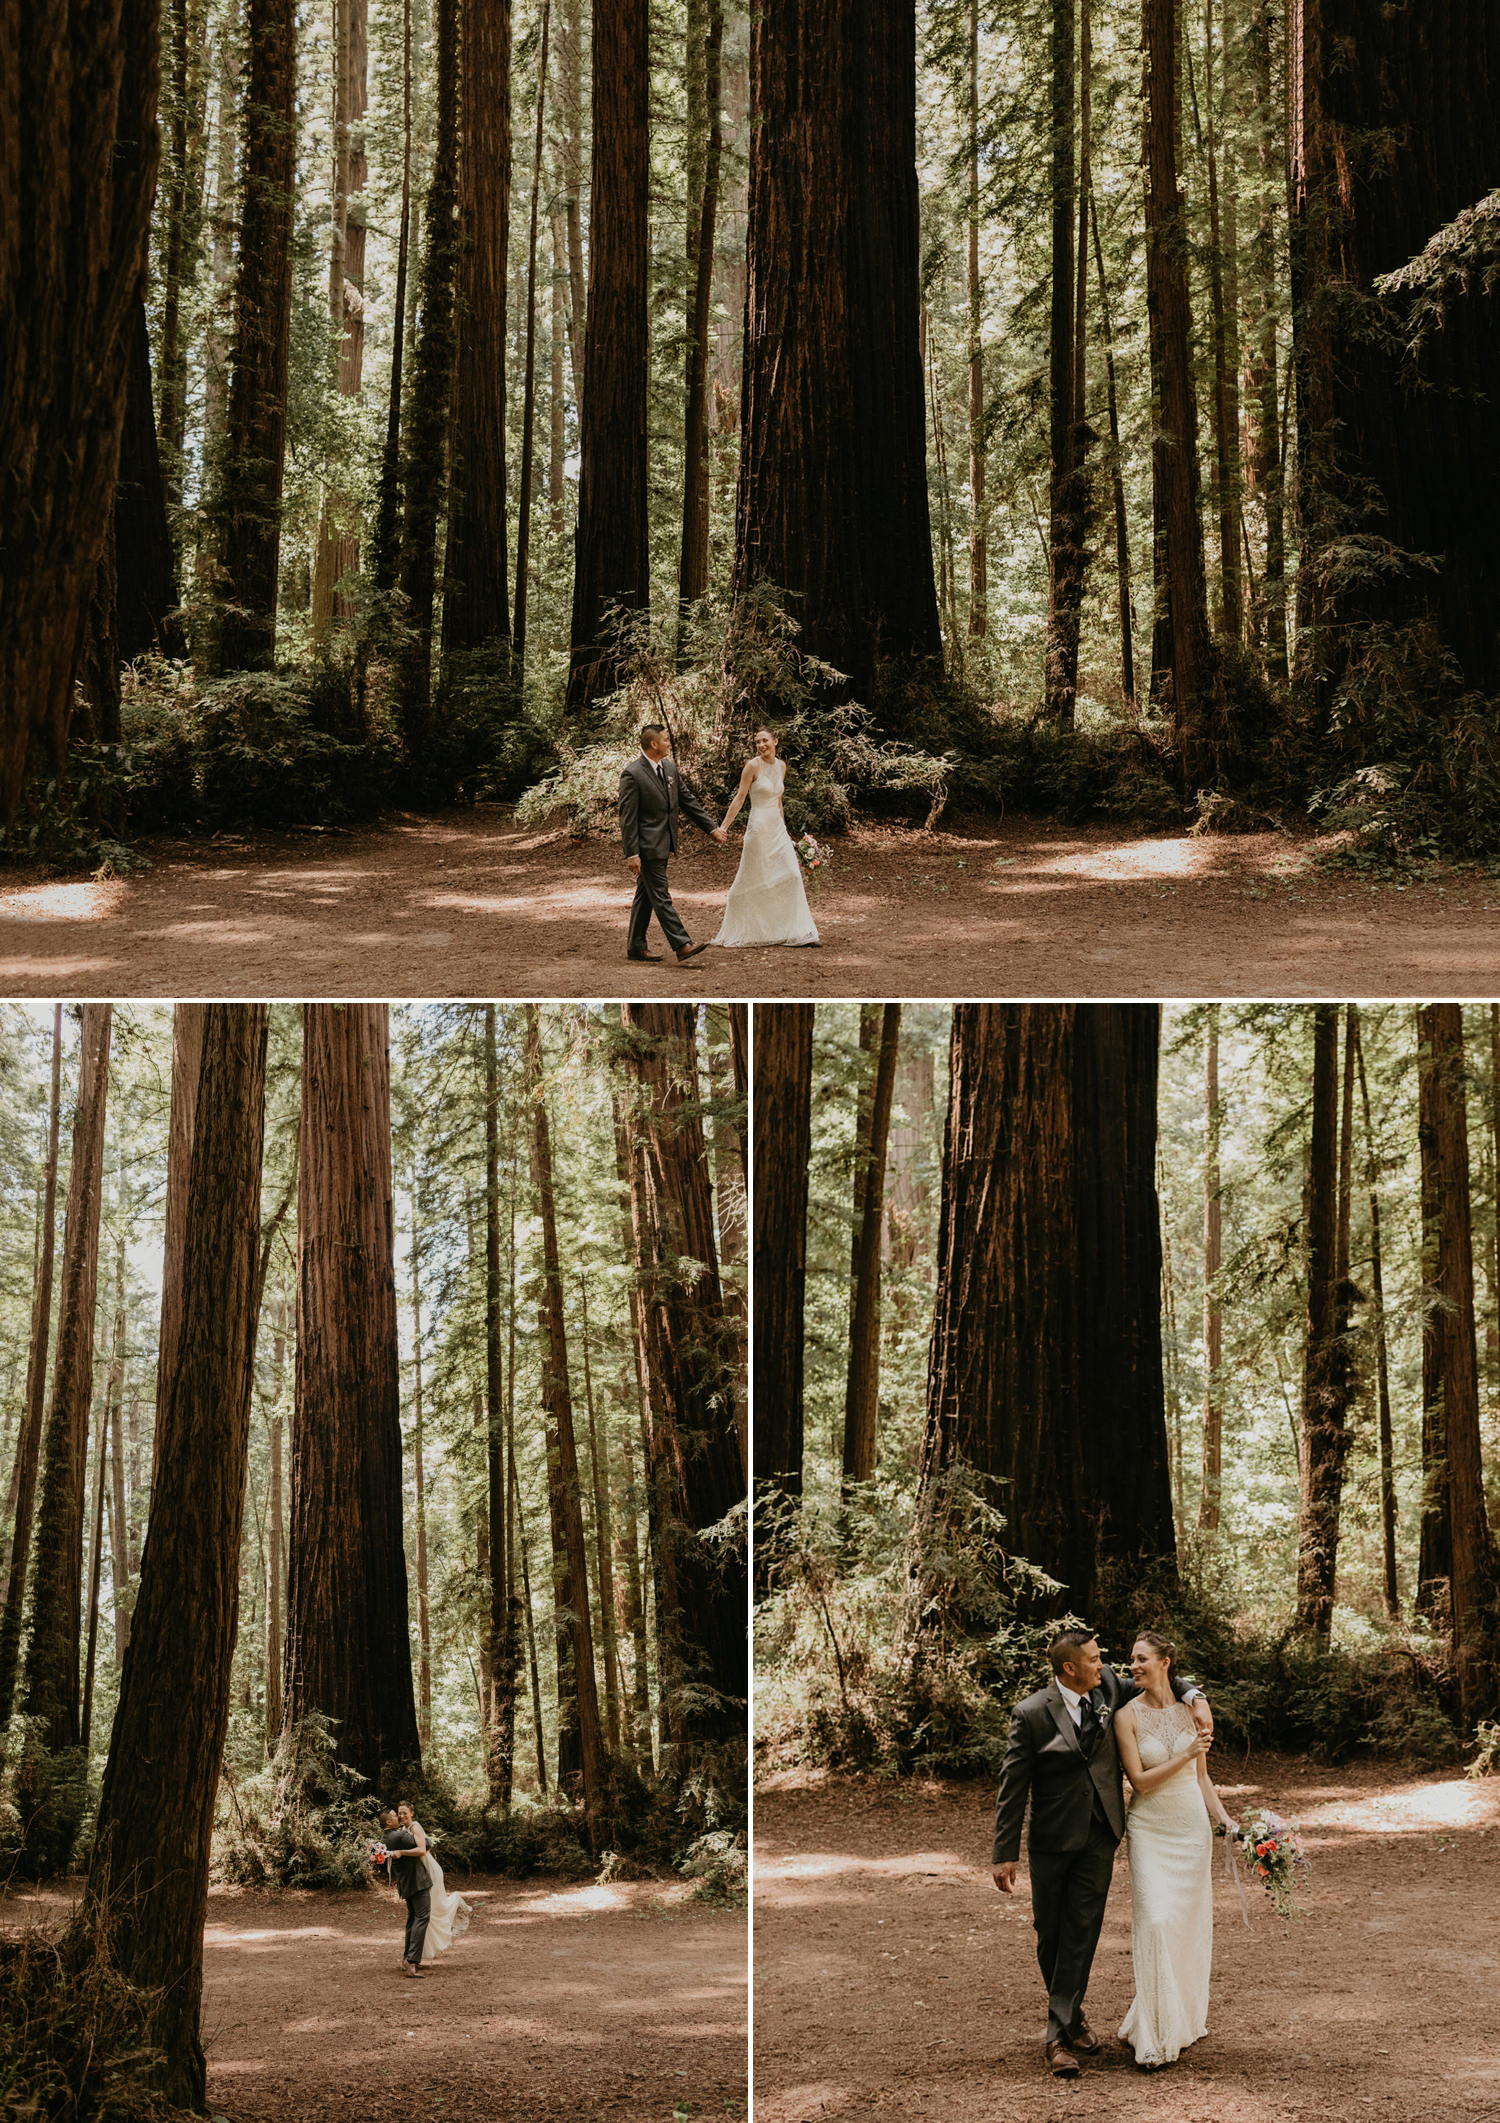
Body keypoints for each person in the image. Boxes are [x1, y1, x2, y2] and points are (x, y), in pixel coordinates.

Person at [991, 1626, 1214, 2078]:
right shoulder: (1031, 1713)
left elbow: (1164, 1679)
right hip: (1052, 1841)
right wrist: (1004, 1851)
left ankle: (1056, 2037)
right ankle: (1071, 2019)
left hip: (1100, 1834)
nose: (1105, 1665)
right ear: (1070, 1668)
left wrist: (1197, 1696)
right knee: (1051, 1933)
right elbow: (1013, 1787)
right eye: (1094, 1659)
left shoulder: (1108, 1685)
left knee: (1082, 1931)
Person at [1112, 1632, 1238, 2071]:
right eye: (1131, 1660)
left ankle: (1177, 2017)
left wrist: (1225, 1819)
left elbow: (1203, 1778)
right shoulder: (1125, 1715)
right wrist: (1185, 1754)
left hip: (1190, 1829)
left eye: (1142, 1658)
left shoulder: (1191, 1709)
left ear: (1166, 1662)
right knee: (1156, 1920)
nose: (1133, 1666)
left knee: (1185, 1925)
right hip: (1149, 1827)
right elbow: (1140, 1782)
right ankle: (1152, 2031)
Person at [618, 723, 726, 963]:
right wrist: (631, 853)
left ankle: (636, 945)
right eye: (666, 739)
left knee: (645, 894)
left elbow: (688, 801)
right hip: (646, 847)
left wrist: (711, 828)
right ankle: (681, 944)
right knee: (660, 894)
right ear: (654, 744)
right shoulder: (632, 774)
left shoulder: (669, 769)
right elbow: (628, 818)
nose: (669, 743)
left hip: (665, 843)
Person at [712, 726, 820, 949]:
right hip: (758, 828)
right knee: (754, 878)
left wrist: (786, 831)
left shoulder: (781, 766)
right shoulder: (752, 766)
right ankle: (748, 929)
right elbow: (740, 799)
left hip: (777, 829)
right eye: (757, 742)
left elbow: (778, 801)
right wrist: (723, 827)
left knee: (791, 874)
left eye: (765, 741)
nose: (761, 745)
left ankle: (799, 932)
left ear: (775, 742)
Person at [392, 1801, 472, 1963]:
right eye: (399, 1813)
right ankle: (413, 1956)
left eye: (404, 1812)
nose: (401, 1816)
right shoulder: (403, 1830)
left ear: (411, 1813)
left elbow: (422, 1849)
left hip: (428, 1870)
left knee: (432, 1908)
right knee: (421, 1914)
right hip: (417, 1872)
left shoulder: (415, 1827)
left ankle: (454, 1901)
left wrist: (401, 1852)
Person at [379, 1807, 432, 1978]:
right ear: (389, 1821)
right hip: (416, 1881)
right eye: (395, 1816)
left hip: (405, 1883)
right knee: (422, 1917)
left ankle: (407, 1958)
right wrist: (417, 1830)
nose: (399, 1818)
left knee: (412, 1919)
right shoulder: (400, 1835)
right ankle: (411, 1960)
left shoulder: (385, 1837)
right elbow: (426, 1844)